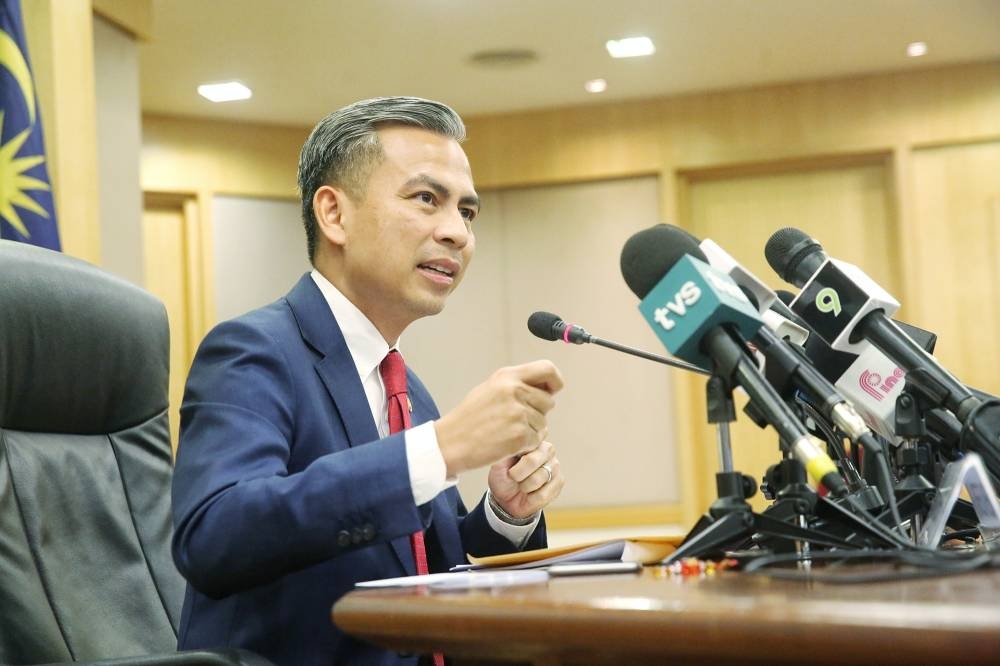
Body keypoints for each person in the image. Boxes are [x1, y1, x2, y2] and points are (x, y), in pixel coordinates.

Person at [170, 96, 565, 665]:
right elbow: (214, 536)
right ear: (334, 214)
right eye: (427, 199)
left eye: (468, 212)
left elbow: (425, 568)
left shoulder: (408, 388)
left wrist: (506, 514)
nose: (457, 232)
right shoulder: (254, 350)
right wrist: (440, 449)